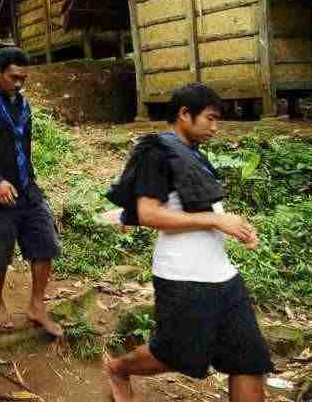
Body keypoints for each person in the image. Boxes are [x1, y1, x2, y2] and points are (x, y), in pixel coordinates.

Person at [104, 83, 271, 402]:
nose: (214, 126)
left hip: (224, 276)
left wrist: (237, 227)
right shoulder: (156, 151)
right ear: (184, 114)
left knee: (248, 361)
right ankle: (118, 368)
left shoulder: (194, 156)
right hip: (183, 277)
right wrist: (215, 221)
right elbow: (149, 213)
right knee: (173, 354)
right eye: (209, 118)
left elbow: (202, 209)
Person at [0, 47, 62, 337]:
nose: (19, 83)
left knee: (45, 240)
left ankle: (36, 305)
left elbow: (26, 148)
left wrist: (28, 182)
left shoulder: (24, 106)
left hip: (26, 188)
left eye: (23, 78)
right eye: (13, 77)